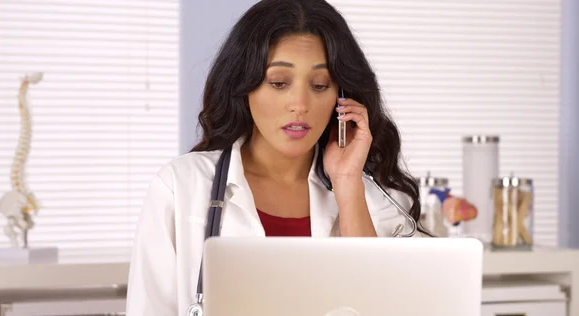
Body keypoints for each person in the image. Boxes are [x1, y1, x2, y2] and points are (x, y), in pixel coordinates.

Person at [126, 0, 430, 315]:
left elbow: (378, 307)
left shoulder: (376, 200)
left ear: (341, 98)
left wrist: (347, 182)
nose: (299, 103)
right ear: (244, 87)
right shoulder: (180, 186)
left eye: (319, 85)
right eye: (279, 82)